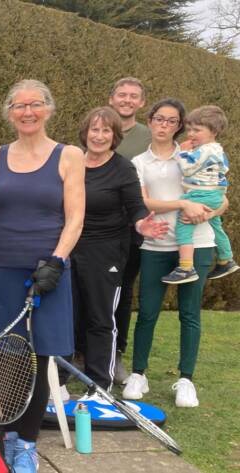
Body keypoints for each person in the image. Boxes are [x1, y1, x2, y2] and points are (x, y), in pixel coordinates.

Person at [0, 80, 85, 473]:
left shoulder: (69, 155)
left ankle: (27, 443)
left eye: (35, 104)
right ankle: (9, 436)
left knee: (39, 355)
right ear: (9, 112)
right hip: (0, 266)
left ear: (48, 109)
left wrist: (57, 259)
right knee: (7, 356)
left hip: (46, 271)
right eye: (19, 106)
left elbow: (75, 217)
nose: (27, 112)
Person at [123, 98, 223, 408]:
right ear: (150, 121)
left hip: (198, 243)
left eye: (171, 121)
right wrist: (182, 204)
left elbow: (221, 198)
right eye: (159, 119)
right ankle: (139, 374)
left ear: (179, 126)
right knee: (148, 312)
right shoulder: (139, 162)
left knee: (190, 313)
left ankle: (186, 380)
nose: (164, 126)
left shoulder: (199, 154)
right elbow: (144, 202)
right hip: (156, 245)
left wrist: (206, 212)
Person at [68, 107, 167, 395]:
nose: (98, 136)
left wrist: (141, 223)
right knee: (66, 316)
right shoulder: (71, 162)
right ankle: (60, 380)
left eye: (105, 131)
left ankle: (99, 384)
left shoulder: (123, 167)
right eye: (94, 130)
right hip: (68, 248)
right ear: (85, 132)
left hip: (106, 251)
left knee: (100, 318)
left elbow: (136, 206)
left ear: (115, 136)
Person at [161, 105, 236, 283]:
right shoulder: (217, 149)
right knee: (215, 225)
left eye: (197, 130)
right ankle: (226, 259)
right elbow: (224, 168)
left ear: (214, 131)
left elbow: (187, 169)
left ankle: (186, 267)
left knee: (183, 226)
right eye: (189, 129)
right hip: (215, 195)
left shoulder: (205, 150)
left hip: (201, 194)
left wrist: (182, 152)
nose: (191, 134)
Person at [107, 77, 151, 383]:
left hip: (131, 228)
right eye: (122, 95)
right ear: (111, 99)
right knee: (89, 293)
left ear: (141, 103)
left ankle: (116, 354)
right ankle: (84, 352)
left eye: (133, 96)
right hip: (96, 227)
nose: (127, 99)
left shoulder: (149, 137)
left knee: (122, 294)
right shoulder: (100, 129)